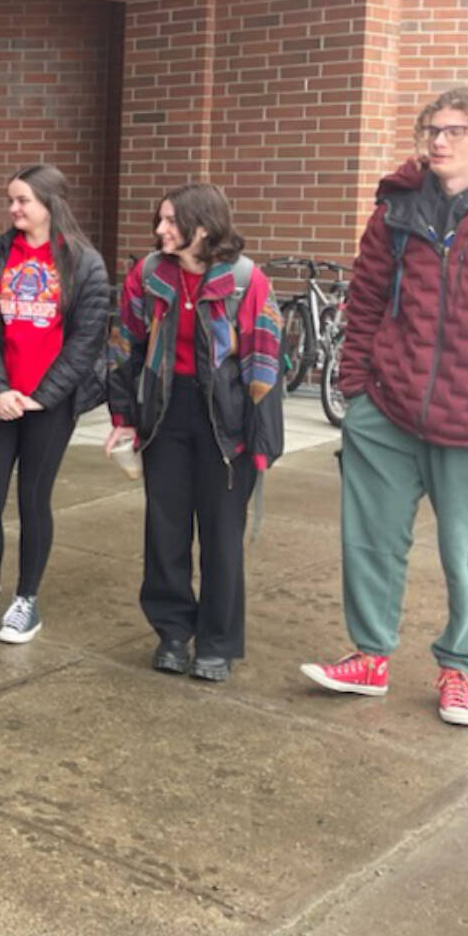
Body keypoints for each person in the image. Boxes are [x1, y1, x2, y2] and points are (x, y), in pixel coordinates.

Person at [300, 86, 468, 727]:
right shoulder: (395, 210)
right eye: (431, 130)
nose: (440, 141)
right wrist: (357, 390)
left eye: (456, 130)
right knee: (370, 542)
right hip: (387, 411)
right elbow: (362, 303)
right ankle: (369, 657)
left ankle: (459, 670)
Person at [106, 182, 284, 683]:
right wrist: (123, 417)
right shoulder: (147, 274)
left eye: (170, 221)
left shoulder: (247, 281)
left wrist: (262, 444)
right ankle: (173, 634)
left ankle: (217, 643)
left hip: (226, 422)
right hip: (166, 413)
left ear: (202, 227)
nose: (160, 230)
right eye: (159, 220)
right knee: (165, 530)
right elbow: (125, 347)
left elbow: (264, 365)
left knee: (222, 537)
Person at [0, 165, 111, 643]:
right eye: (11, 200)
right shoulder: (0, 255)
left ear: (50, 204)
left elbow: (87, 343)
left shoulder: (84, 263)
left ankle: (27, 601)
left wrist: (42, 397)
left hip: (48, 406)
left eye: (23, 200)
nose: (14, 209)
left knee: (33, 501)